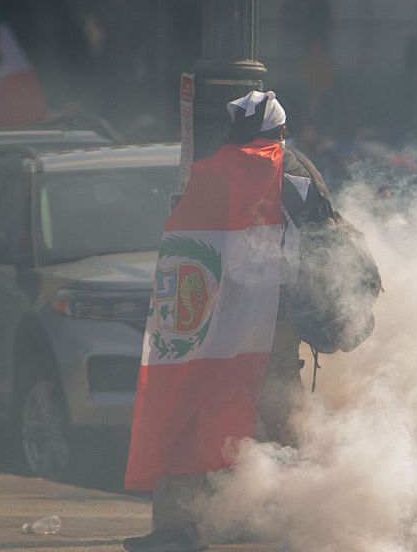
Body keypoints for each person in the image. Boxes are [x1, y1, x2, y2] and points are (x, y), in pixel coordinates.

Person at [123, 90, 300, 552]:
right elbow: (323, 244)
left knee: (188, 411)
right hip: (272, 324)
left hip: (202, 320)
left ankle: (178, 527)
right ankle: (293, 518)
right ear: (279, 130)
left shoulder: (203, 173)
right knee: (279, 418)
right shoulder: (295, 172)